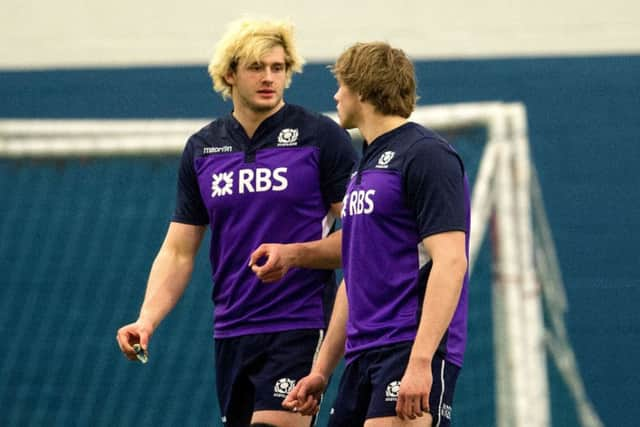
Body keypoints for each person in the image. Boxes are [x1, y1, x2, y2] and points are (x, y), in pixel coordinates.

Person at [115, 18, 357, 427]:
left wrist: (295, 256)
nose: (269, 78)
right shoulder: (203, 148)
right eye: (256, 67)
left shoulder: (319, 136)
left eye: (278, 68)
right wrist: (147, 318)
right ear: (229, 73)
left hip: (299, 321)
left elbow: (363, 238)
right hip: (232, 329)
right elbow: (177, 252)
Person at [282, 42, 471, 426]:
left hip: (409, 347)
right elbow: (356, 277)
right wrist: (322, 370)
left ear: (363, 91)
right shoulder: (362, 169)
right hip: (361, 356)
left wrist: (420, 362)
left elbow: (451, 262)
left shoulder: (426, 155)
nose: (336, 95)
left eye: (341, 85)